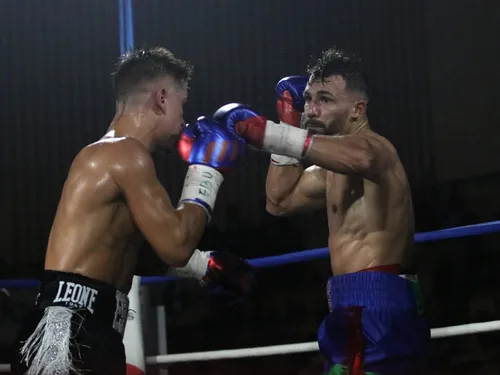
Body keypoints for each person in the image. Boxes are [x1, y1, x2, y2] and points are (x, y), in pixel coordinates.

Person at [11, 46, 252, 375]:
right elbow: (176, 245)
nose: (183, 119)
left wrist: (203, 267)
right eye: (182, 105)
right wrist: (207, 170)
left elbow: (128, 253)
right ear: (162, 98)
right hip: (68, 334)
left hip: (91, 329)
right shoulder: (126, 154)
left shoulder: (119, 158)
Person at [212, 48, 430, 374]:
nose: (311, 110)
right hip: (348, 303)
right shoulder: (330, 170)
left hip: (379, 303)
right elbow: (279, 202)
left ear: (358, 109)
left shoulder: (377, 148)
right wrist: (285, 125)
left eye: (325, 99)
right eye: (308, 99)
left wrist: (270, 133)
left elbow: (361, 159)